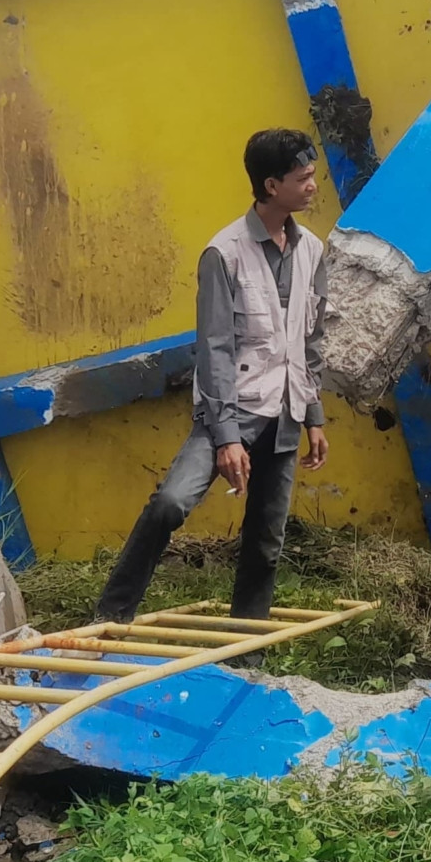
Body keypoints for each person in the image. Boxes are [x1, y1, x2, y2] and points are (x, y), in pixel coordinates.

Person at [95, 129, 331, 624]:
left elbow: (309, 341)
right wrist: (227, 438)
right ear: (271, 185)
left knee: (266, 542)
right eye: (302, 177)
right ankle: (111, 616)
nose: (313, 185)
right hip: (234, 409)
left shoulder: (312, 249)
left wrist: (313, 415)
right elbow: (216, 351)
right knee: (171, 503)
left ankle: (246, 659)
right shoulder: (223, 254)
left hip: (286, 412)